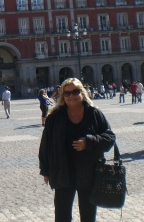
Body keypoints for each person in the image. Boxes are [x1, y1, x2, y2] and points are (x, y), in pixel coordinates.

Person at [39, 78, 115, 222]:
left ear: (82, 93)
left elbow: (110, 137)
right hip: (62, 172)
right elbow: (45, 145)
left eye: (75, 92)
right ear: (62, 96)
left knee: (88, 216)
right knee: (62, 215)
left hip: (89, 172)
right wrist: (45, 170)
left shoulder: (94, 114)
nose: (71, 96)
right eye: (67, 93)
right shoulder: (54, 118)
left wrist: (90, 142)